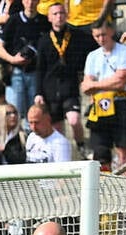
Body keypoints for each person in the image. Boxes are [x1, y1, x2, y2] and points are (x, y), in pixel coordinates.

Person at [34, 3, 94, 158]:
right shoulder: (44, 40)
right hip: (50, 91)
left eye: (61, 13)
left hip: (70, 88)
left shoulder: (77, 36)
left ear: (66, 15)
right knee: (57, 128)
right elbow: (40, 69)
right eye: (54, 14)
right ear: (49, 17)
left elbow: (96, 45)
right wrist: (38, 92)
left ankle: (81, 146)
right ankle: (63, 156)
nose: (58, 16)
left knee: (74, 120)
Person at [81, 21, 126, 176]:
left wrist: (96, 85)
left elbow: (121, 80)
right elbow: (85, 86)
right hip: (99, 106)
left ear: (111, 32)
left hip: (119, 103)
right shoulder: (92, 56)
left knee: (123, 151)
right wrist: (106, 84)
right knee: (101, 153)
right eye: (97, 35)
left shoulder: (123, 51)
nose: (101, 38)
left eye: (103, 34)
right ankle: (106, 189)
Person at [0, 0, 49, 129]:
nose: (30, 3)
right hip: (16, 73)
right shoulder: (14, 20)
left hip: (36, 72)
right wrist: (12, 59)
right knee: (14, 113)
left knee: (34, 114)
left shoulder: (44, 22)